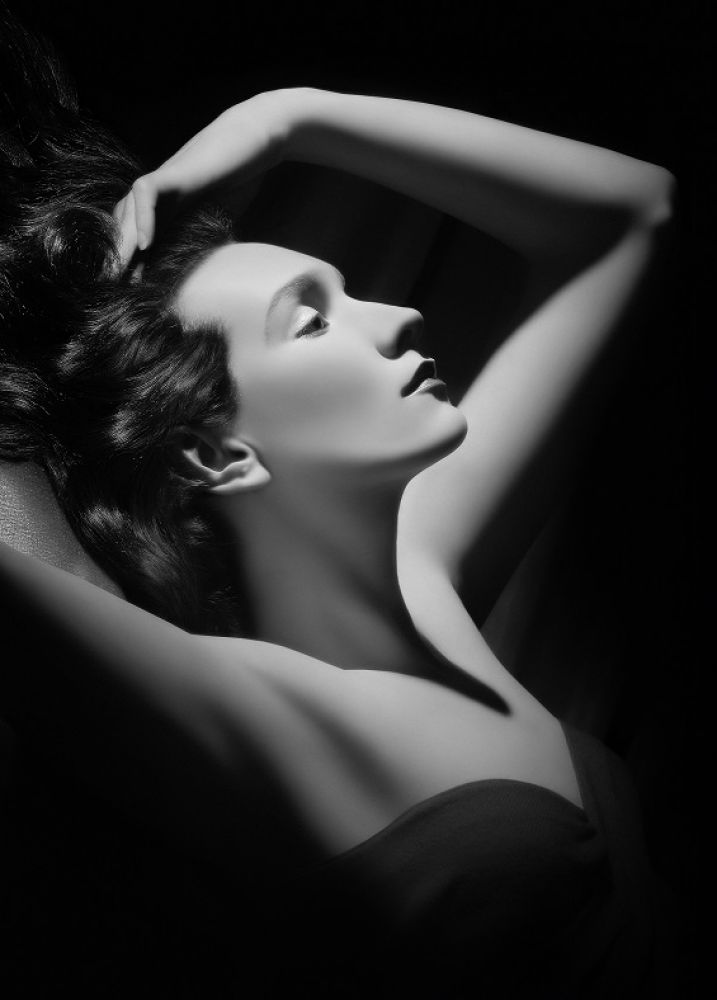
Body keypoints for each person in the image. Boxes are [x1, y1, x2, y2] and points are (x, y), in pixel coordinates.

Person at [0, 7, 685, 997]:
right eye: (313, 320)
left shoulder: (425, 574)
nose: (398, 315)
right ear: (216, 452)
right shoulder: (258, 712)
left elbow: (631, 213)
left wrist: (290, 117)